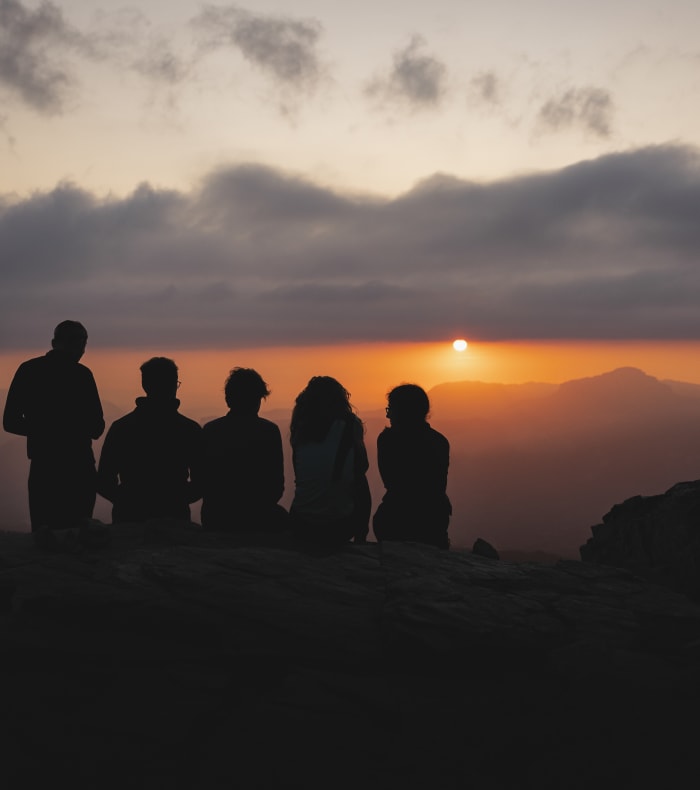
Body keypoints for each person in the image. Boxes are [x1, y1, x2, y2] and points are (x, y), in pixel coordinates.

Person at [3, 320, 105, 531]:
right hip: (79, 467)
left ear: (53, 342)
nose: (82, 351)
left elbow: (10, 422)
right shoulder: (82, 375)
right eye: (81, 344)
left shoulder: (29, 370)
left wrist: (43, 430)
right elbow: (97, 427)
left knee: (45, 536)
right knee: (79, 535)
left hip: (45, 466)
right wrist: (71, 429)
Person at [97, 357, 202, 523]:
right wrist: (177, 499)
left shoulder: (122, 427)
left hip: (129, 519)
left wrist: (126, 499)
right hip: (175, 519)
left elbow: (103, 480)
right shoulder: (188, 429)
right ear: (174, 385)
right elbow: (201, 482)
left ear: (145, 385)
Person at [201, 367, 287, 532]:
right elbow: (276, 487)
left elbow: (204, 482)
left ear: (228, 399)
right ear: (258, 399)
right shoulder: (268, 431)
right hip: (257, 517)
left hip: (216, 517)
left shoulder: (211, 431)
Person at [289, 376, 370, 546]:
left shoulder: (300, 427)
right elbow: (362, 466)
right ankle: (361, 539)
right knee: (361, 481)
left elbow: (298, 471)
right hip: (339, 524)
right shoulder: (350, 424)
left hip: (301, 521)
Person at [373, 384, 451, 549]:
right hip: (433, 521)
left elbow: (389, 481)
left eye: (390, 410)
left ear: (401, 412)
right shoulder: (439, 442)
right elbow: (438, 485)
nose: (389, 416)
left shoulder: (387, 441)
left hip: (395, 519)